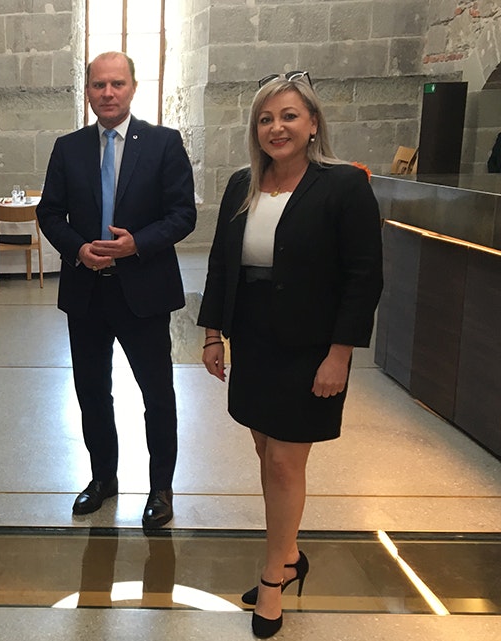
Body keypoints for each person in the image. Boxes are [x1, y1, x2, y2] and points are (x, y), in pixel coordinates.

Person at [197, 71, 382, 638]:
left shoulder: (344, 185)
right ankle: (291, 551)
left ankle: (273, 578)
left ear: (313, 124)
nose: (276, 127)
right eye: (265, 118)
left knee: (284, 460)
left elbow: (363, 276)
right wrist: (211, 333)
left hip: (310, 346)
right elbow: (223, 264)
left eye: (288, 116)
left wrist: (340, 355)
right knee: (262, 445)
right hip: (254, 339)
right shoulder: (241, 184)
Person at [36, 52, 196, 533]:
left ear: (132, 87)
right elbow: (49, 213)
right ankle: (103, 477)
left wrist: (135, 245)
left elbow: (182, 214)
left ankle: (160, 489)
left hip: (143, 292)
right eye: (99, 85)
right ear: (88, 91)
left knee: (157, 392)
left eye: (117, 84)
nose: (108, 93)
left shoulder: (165, 144)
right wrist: (79, 249)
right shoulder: (69, 148)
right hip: (86, 292)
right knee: (91, 392)